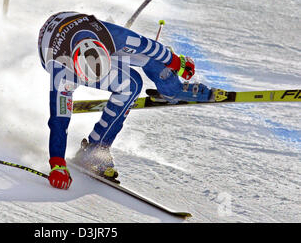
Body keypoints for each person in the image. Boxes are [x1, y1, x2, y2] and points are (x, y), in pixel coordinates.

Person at [38, 11, 218, 190]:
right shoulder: (61, 71)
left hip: (79, 29)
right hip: (54, 47)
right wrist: (57, 164)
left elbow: (148, 46)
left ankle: (172, 89)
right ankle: (94, 149)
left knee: (148, 58)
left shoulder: (114, 36)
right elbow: (58, 121)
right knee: (130, 85)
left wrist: (176, 62)